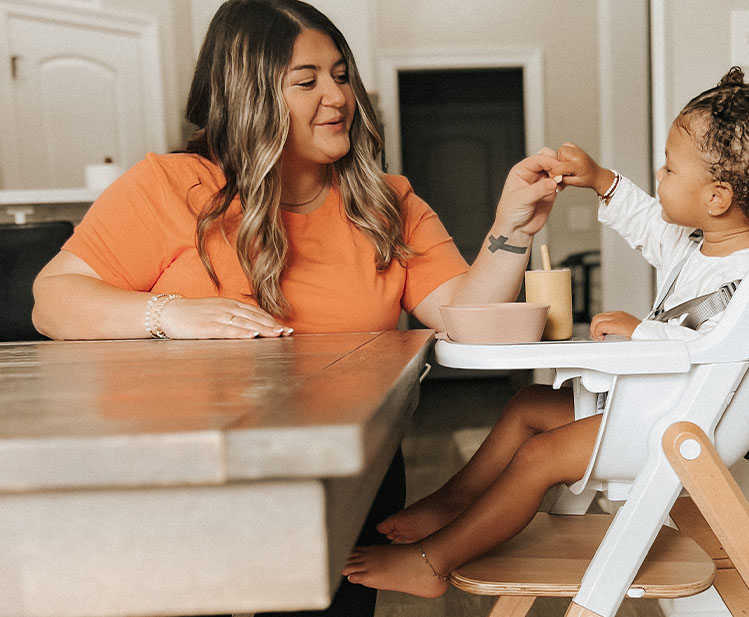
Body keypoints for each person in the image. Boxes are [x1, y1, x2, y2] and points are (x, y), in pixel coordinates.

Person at [31, 0, 560, 614]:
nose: (336, 97)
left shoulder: (388, 204)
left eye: (340, 75)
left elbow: (464, 319)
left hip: (344, 476)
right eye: (306, 82)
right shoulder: (169, 187)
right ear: (247, 96)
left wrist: (510, 232)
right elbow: (54, 299)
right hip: (188, 477)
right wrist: (168, 313)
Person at [341, 66, 749, 598]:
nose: (660, 174)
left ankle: (432, 561)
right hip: (650, 409)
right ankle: (454, 502)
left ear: (717, 196)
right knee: (529, 405)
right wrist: (601, 180)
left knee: (540, 457)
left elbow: (713, 346)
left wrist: (638, 334)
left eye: (669, 169)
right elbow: (650, 222)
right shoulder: (701, 244)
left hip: (678, 422)